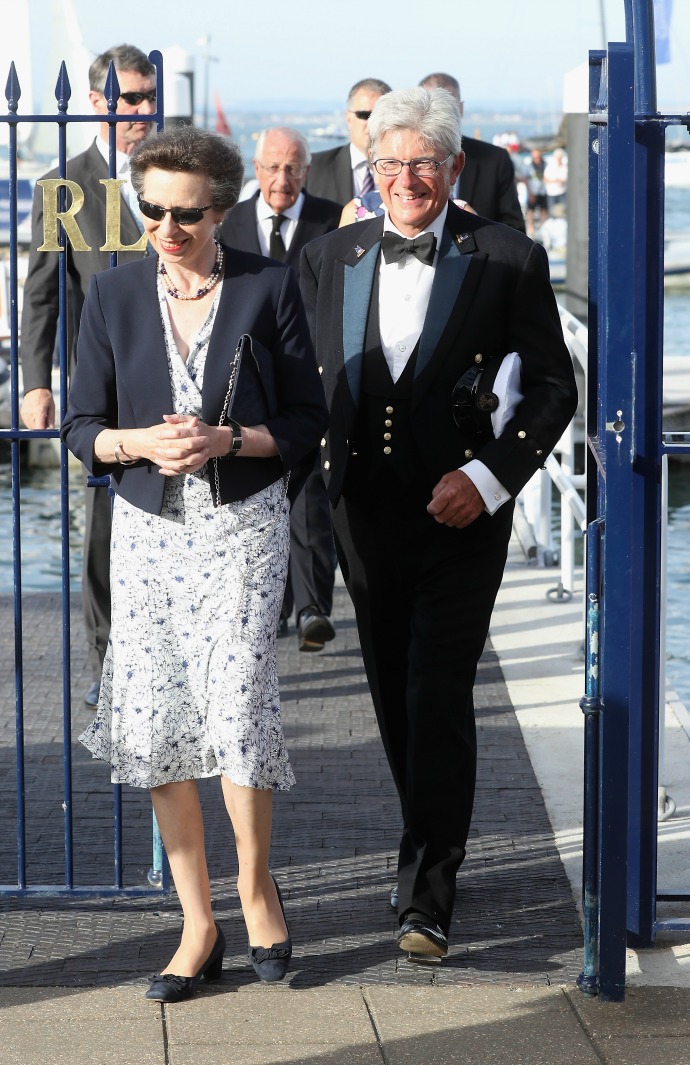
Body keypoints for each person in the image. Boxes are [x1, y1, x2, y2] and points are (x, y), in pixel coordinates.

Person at [300, 87, 577, 965]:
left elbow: (554, 386)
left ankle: (428, 895)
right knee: (392, 695)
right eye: (391, 164)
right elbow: (304, 378)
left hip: (461, 514)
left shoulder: (506, 257)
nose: (407, 179)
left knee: (438, 693)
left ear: (455, 168)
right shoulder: (329, 255)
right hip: (362, 516)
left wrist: (493, 476)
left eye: (425, 163)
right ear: (370, 170)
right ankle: (426, 839)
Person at [60, 126, 327, 1000]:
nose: (167, 227)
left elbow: (303, 425)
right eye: (152, 211)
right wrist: (132, 441)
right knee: (160, 718)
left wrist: (227, 439)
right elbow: (78, 428)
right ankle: (197, 922)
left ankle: (256, 892)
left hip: (243, 528)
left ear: (222, 209)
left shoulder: (267, 287)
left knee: (239, 704)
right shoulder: (112, 295)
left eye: (188, 213)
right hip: (145, 534)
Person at [20, 44, 157, 708]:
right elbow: (41, 294)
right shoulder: (64, 187)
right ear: (99, 103)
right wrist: (35, 381)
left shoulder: (172, 174)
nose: (144, 111)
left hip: (176, 384)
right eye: (132, 98)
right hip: (101, 391)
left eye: (149, 96)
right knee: (104, 526)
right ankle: (107, 658)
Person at [220, 127, 341, 651]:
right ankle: (277, 603)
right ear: (256, 167)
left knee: (311, 488)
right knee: (261, 492)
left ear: (307, 172)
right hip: (246, 384)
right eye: (272, 167)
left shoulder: (332, 219)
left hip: (313, 377)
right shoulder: (231, 223)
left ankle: (314, 606)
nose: (281, 179)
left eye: (292, 168)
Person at [418, 73, 525, 232]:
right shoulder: (401, 161)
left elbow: (514, 229)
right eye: (430, 106)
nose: (439, 114)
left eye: (447, 105)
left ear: (461, 108)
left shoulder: (495, 160)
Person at [305, 78, 392, 206]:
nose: (372, 123)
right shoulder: (314, 168)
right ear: (348, 118)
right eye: (364, 115)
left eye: (381, 115)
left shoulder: (406, 171)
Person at [523, 148, 550, 237]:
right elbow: (525, 178)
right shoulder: (529, 166)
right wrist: (529, 191)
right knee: (531, 210)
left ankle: (544, 228)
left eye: (538, 157)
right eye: (535, 157)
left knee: (544, 210)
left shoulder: (545, 164)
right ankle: (530, 229)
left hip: (543, 191)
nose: (536, 159)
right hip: (533, 191)